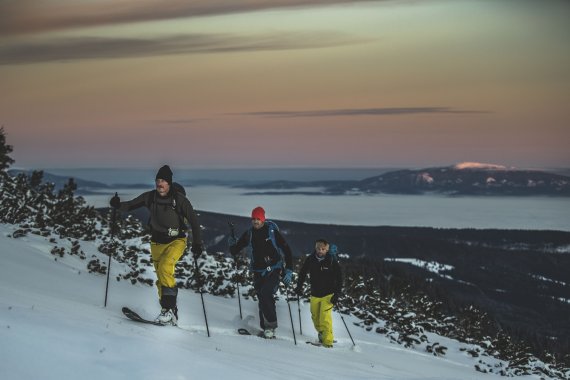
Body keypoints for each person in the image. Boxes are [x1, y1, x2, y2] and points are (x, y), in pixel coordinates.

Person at [109, 165, 203, 325]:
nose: (160, 183)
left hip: (177, 241)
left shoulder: (180, 200)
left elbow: (194, 222)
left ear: (170, 183)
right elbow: (131, 205)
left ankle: (167, 310)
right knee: (160, 277)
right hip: (156, 242)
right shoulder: (150, 197)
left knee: (166, 267)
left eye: (163, 181)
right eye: (158, 180)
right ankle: (169, 312)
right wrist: (118, 205)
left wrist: (197, 244)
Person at [229, 206, 294, 339]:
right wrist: (232, 244)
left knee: (266, 294)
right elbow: (236, 250)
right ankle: (265, 328)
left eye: (258, 219)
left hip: (274, 269)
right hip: (258, 272)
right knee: (262, 299)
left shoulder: (272, 232)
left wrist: (289, 270)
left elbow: (286, 249)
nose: (255, 221)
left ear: (263, 219)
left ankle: (270, 327)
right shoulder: (249, 233)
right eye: (253, 219)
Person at [295, 238, 343, 347]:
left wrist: (337, 294)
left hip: (328, 294)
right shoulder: (311, 259)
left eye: (323, 249)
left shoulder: (331, 260)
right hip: (315, 293)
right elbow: (303, 273)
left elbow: (339, 278)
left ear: (327, 250)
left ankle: (327, 343)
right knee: (315, 317)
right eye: (318, 248)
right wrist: (299, 286)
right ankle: (322, 334)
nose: (320, 251)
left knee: (325, 318)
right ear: (315, 248)